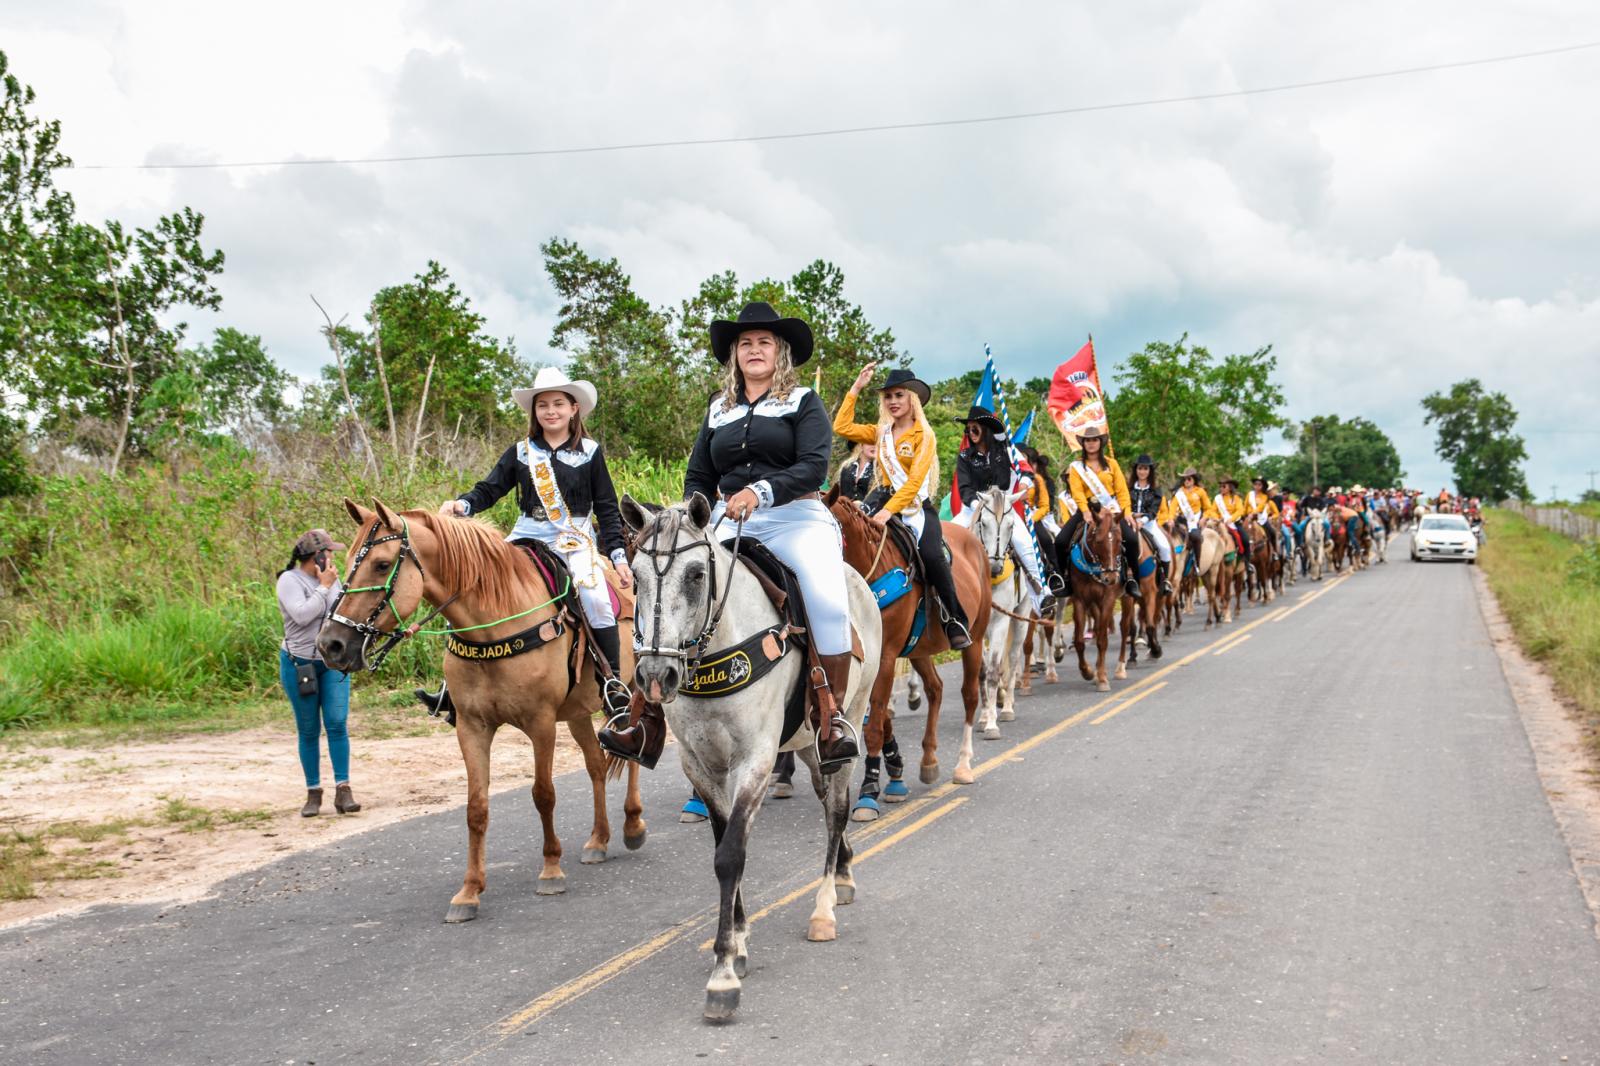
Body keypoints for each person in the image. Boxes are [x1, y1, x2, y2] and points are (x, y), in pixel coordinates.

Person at [600, 301, 858, 770]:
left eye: (763, 342)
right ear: (735, 355)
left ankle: (829, 718)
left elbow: (814, 467)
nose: (753, 350)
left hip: (794, 517)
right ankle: (646, 717)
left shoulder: (803, 402)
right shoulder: (718, 409)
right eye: (745, 344)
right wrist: (695, 512)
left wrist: (761, 492)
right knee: (669, 588)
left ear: (779, 352)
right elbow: (699, 473)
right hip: (722, 519)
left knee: (827, 598)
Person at [434, 366, 634, 720]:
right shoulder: (522, 452)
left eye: (558, 403)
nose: (551, 411)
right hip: (526, 536)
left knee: (596, 599)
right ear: (535, 411)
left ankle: (612, 683)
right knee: (471, 588)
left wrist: (617, 556)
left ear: (574, 409)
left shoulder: (589, 451)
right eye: (543, 405)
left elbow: (606, 505)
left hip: (574, 538)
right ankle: (451, 688)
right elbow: (489, 489)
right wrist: (463, 504)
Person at [835, 363, 974, 647]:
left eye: (899, 395)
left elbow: (913, 483)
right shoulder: (880, 432)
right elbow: (841, 426)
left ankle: (954, 618)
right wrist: (856, 388)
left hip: (915, 505)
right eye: (888, 397)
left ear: (912, 398)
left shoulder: (924, 435)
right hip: (880, 496)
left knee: (934, 555)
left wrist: (888, 512)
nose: (893, 401)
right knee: (845, 533)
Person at [277, 529, 359, 817]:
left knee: (337, 723)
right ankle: (314, 791)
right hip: (301, 664)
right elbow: (301, 614)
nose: (333, 558)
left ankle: (344, 789)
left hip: (332, 662)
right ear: (318, 557)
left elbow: (343, 614)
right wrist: (324, 587)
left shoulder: (334, 582)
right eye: (330, 553)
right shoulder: (289, 580)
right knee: (309, 729)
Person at [950, 404, 1051, 612]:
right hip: (975, 507)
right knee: (947, 540)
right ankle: (947, 598)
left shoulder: (1007, 451)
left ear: (986, 429)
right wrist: (979, 505)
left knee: (1026, 546)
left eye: (975, 427)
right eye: (968, 428)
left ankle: (1041, 595)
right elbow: (965, 488)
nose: (971, 432)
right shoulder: (964, 457)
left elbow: (1027, 472)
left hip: (1004, 506)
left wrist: (1024, 482)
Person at [1058, 425, 1141, 598]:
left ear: (1100, 442)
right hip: (1087, 510)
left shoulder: (1112, 464)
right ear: (1083, 443)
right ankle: (1065, 579)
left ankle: (1132, 579)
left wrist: (1126, 513)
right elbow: (1077, 492)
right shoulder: (1076, 467)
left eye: (1094, 440)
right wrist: (1085, 511)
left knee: (1132, 540)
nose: (1091, 443)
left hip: (1113, 509)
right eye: (1087, 440)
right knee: (1060, 541)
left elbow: (1122, 491)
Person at [1127, 454, 1175, 596]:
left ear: (1150, 471)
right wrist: (1131, 516)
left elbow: (1153, 511)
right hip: (1129, 522)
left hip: (1149, 524)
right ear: (1136, 470)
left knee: (1164, 547)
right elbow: (1124, 505)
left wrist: (1142, 520)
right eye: (1140, 468)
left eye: (1145, 469)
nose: (1142, 472)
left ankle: (1165, 580)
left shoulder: (1156, 490)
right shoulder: (1128, 488)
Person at [1245, 475, 1283, 563]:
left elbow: (1261, 508)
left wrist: (1271, 518)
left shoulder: (1265, 498)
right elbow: (1245, 506)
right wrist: (1245, 515)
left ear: (1262, 487)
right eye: (1255, 484)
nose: (1257, 486)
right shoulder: (1249, 495)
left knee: (1272, 533)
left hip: (1261, 520)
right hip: (1249, 519)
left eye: (1259, 485)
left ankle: (1274, 552)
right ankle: (1242, 554)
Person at [1215, 475, 1248, 556]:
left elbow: (1240, 510)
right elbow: (1212, 511)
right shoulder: (1217, 498)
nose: (1221, 488)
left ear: (1230, 487)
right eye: (1220, 486)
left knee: (1245, 540)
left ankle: (1245, 561)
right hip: (1220, 523)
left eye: (1224, 486)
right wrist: (1217, 518)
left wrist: (1231, 519)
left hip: (1234, 524)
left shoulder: (1236, 498)